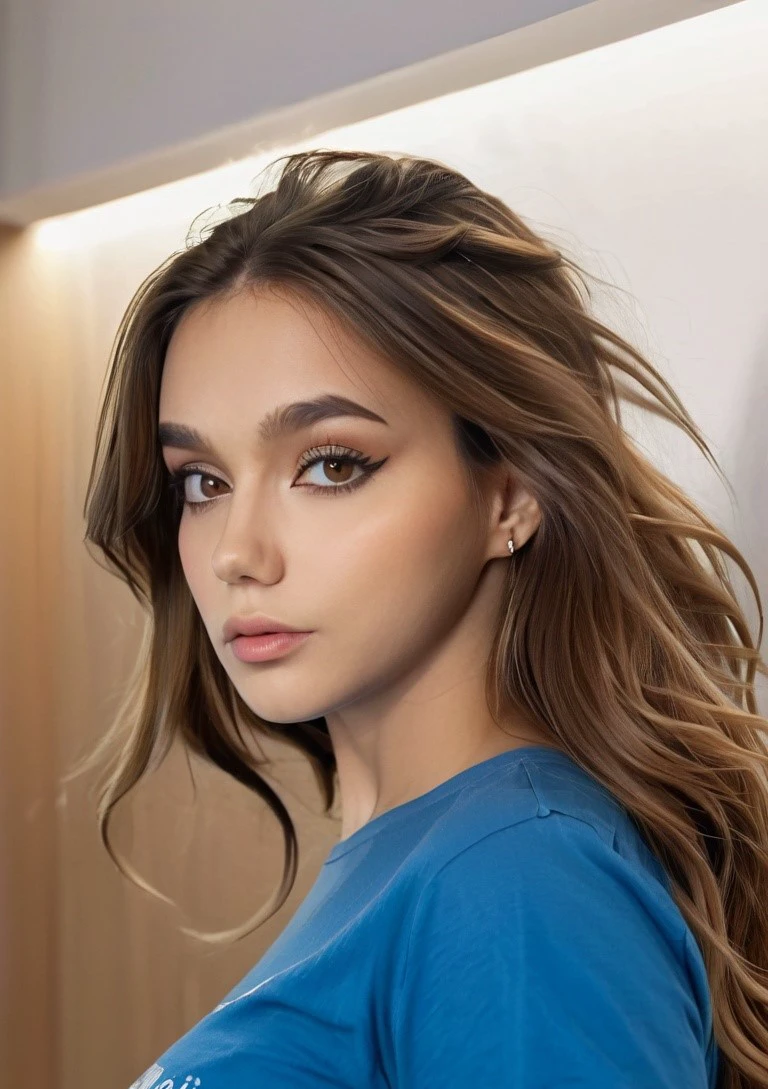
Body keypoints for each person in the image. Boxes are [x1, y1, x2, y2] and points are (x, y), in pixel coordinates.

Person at [76, 149, 768, 1088]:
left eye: (331, 464)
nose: (239, 551)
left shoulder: (516, 881)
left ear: (510, 493)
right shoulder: (430, 867)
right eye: (203, 481)